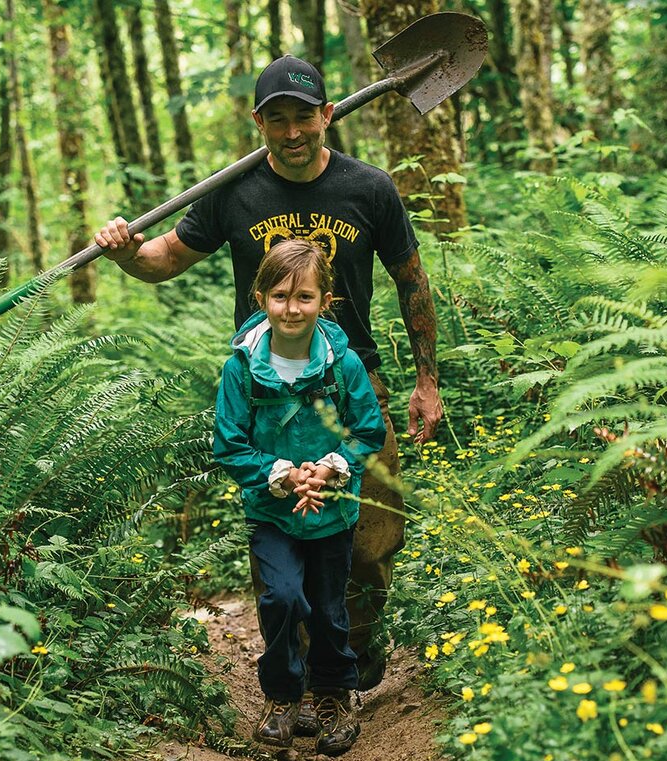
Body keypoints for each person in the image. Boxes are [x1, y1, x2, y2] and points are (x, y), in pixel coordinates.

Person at [93, 54, 443, 699]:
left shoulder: (369, 188)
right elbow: (163, 258)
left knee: (369, 536)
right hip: (268, 394)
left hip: (353, 381)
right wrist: (123, 253)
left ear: (327, 115)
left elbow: (412, 280)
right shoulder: (233, 191)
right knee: (284, 535)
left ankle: (359, 641)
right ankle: (307, 673)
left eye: (303, 118)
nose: (291, 133)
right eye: (276, 119)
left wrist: (427, 381)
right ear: (258, 122)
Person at [214, 238, 387, 754]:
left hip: (332, 506)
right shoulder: (241, 368)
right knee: (283, 597)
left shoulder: (343, 364)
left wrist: (329, 469)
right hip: (272, 508)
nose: (292, 308)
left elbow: (367, 430)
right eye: (281, 296)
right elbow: (230, 442)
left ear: (325, 301)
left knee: (330, 608)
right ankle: (285, 695)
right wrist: (284, 474)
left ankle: (334, 696)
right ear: (260, 297)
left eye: (305, 297)